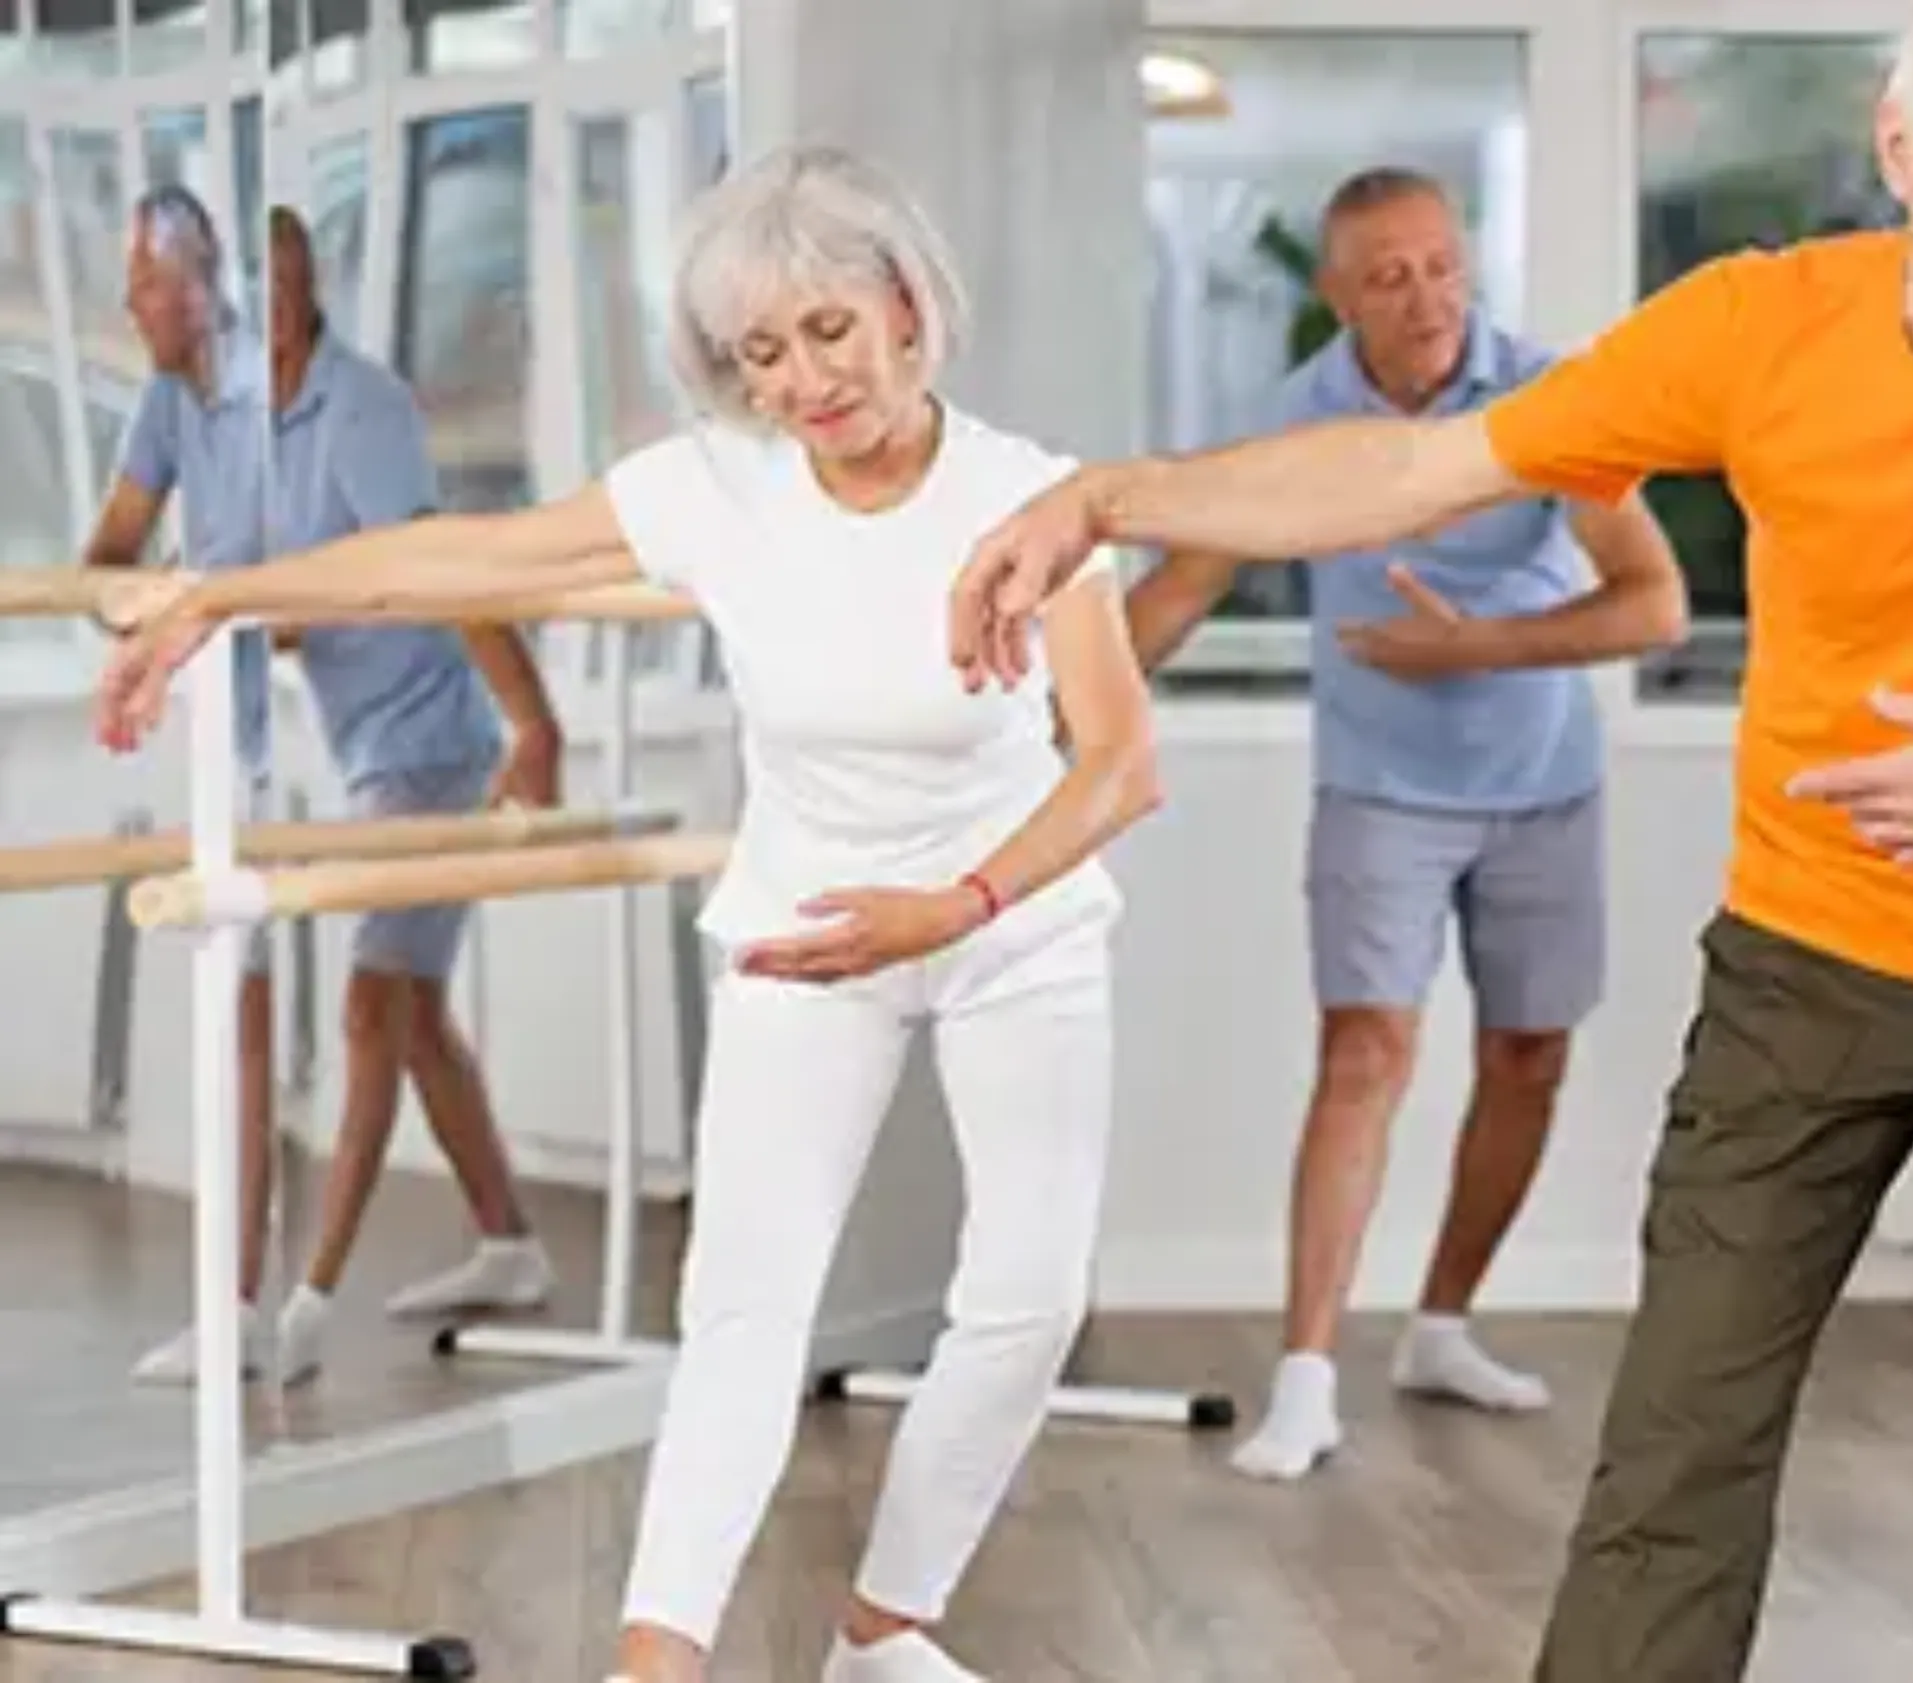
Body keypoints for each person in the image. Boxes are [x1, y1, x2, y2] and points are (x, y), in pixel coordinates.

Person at [950, 2, 1913, 1678]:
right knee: (1686, 1440)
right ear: (1902, 153)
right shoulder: (1762, 326)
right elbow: (1417, 472)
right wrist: (1110, 497)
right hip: (1813, 960)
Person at [97, 145, 1159, 1683]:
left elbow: (1123, 761)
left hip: (1013, 915)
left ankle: (885, 1629)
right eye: (761, 353)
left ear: (909, 306)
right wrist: (220, 594)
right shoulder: (716, 490)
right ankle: (653, 1663)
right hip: (808, 931)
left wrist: (962, 902)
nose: (803, 379)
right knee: (744, 1303)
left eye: (829, 331)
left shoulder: (1029, 496)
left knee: (1027, 1299)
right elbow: (464, 555)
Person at [1125, 165, 1685, 1483]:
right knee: (1366, 1051)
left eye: (1442, 263)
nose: (1426, 295)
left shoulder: (1552, 402)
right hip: (1380, 790)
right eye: (1388, 275)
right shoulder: (1297, 423)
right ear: (1338, 297)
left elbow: (1656, 603)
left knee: (1528, 1055)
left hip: (1545, 784)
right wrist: (1047, 723)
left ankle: (1441, 1321)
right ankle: (1308, 1376)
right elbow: (1180, 588)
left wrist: (1486, 643)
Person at [85, 186, 564, 1390]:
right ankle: (508, 1243)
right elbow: (123, 553)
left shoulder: (359, 409)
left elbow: (445, 570)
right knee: (410, 1017)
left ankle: (301, 1304)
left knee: (368, 1011)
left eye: (156, 282)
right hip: (342, 745)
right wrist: (155, 613)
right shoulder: (193, 405)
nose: (141, 304)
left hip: (431, 743)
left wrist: (533, 722)